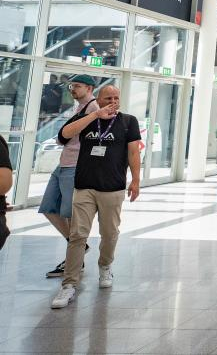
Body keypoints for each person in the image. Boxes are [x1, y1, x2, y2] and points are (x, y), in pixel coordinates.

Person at [50, 85, 141, 309]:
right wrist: (94, 115)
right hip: (85, 187)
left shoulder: (128, 121)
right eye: (108, 98)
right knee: (77, 235)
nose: (113, 101)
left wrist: (136, 180)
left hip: (113, 187)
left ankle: (105, 266)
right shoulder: (88, 119)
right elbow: (64, 135)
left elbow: (133, 152)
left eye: (116, 97)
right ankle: (69, 284)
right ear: (98, 99)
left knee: (109, 233)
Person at [40, 75, 100, 279]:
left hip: (75, 166)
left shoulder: (93, 108)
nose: (73, 89)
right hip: (63, 164)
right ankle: (78, 247)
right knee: (48, 207)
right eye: (71, 86)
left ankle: (74, 259)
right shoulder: (78, 107)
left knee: (70, 214)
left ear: (89, 88)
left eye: (77, 86)